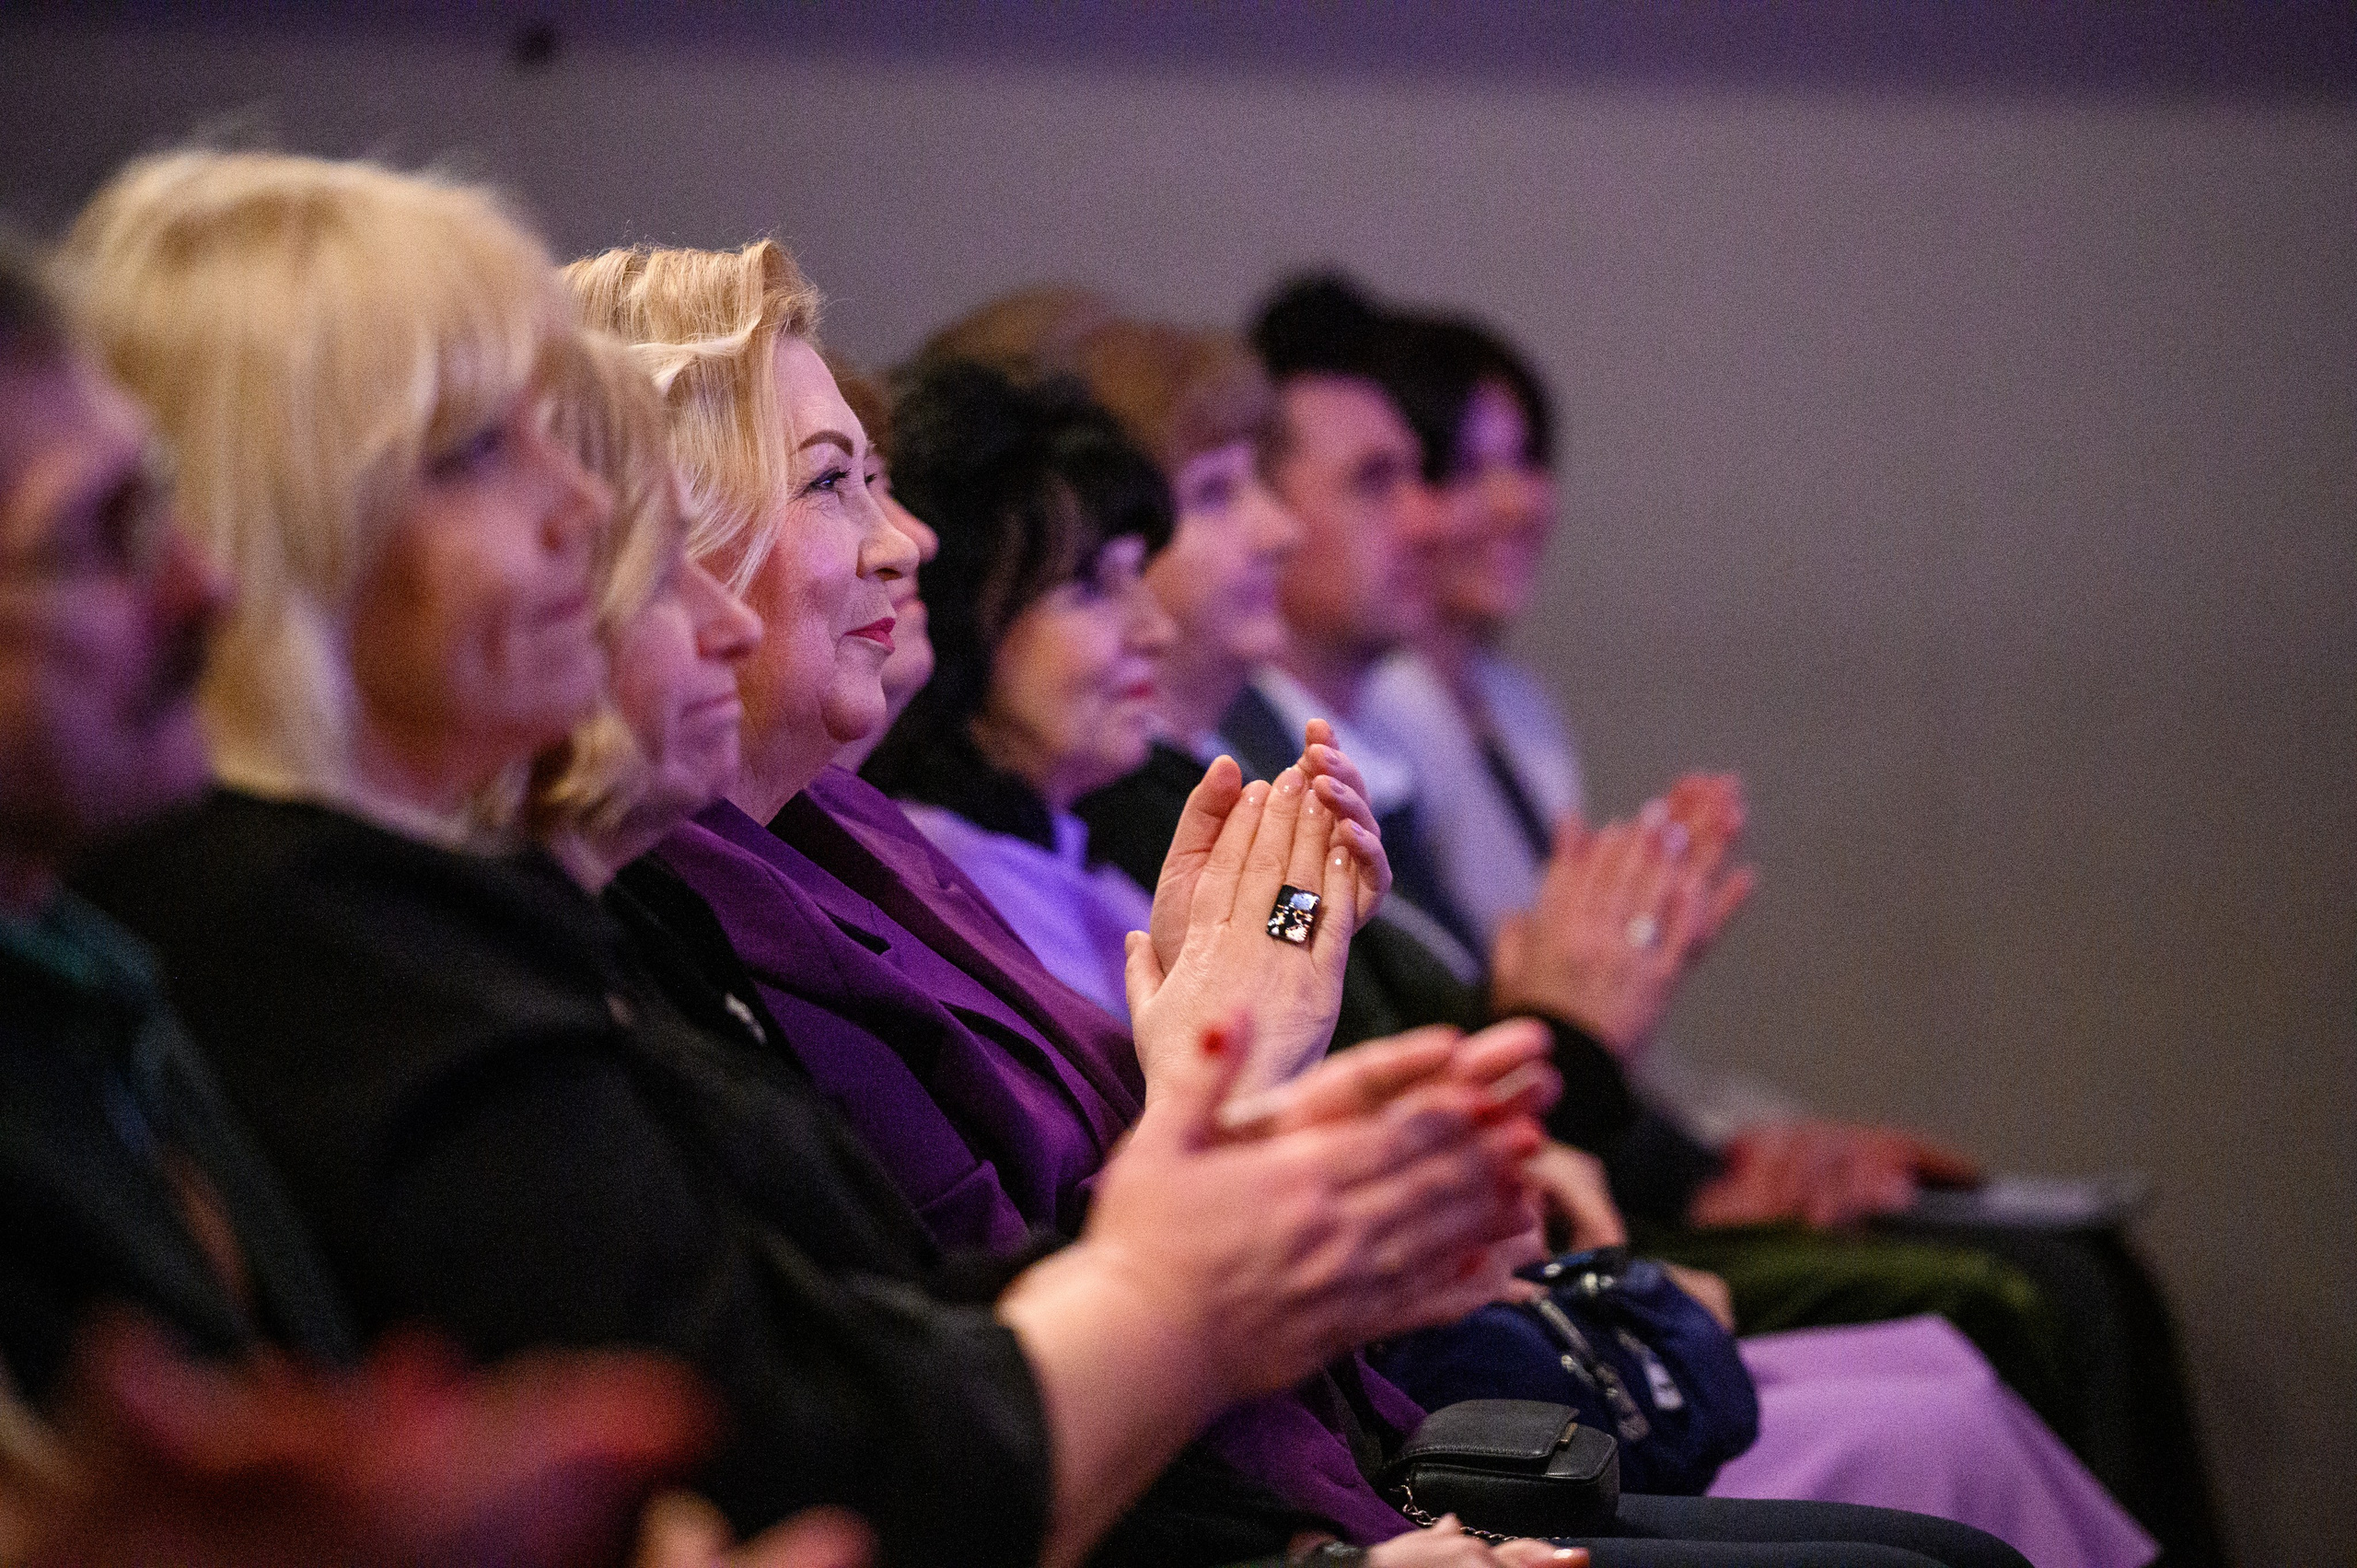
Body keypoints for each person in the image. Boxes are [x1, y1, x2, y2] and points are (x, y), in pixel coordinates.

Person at [61, 150, 1550, 1568]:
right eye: (1097, 582)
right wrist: (1241, 1132)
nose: (907, 545)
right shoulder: (488, 918)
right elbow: (858, 1405)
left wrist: (1281, 1111)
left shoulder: (908, 834)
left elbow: (929, 1312)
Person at [884, 310, 2154, 1568]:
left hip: (1355, 1363)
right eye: (1096, 583)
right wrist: (1540, 1062)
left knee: (1964, 1409)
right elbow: (1226, 1040)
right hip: (1277, 1427)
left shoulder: (1086, 823)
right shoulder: (982, 852)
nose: (1152, 624)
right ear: (970, 608)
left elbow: (1268, 963)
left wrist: (1322, 931)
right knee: (1953, 1437)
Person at [0, 224, 877, 1568]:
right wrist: (1163, 1269)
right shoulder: (299, 934)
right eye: (835, 485)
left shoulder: (93, 976)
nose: (202, 579)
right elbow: (835, 1415)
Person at [1353, 295, 2222, 1567]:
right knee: (2016, 1310)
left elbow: (1574, 1026)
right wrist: (1686, 1158)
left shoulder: (1502, 708)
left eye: (1525, 460)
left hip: (1581, 1170)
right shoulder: (1338, 747)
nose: (1503, 505)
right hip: (1530, 1232)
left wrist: (1733, 1139)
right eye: (1429, 473)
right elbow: (1497, 1038)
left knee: (2079, 1281)